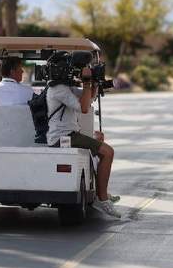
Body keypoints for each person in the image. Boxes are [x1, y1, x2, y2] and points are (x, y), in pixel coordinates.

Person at [45, 55, 121, 218]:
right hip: (62, 138)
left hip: (70, 135)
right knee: (108, 152)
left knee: (98, 145)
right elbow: (84, 108)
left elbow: (89, 98)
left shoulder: (64, 87)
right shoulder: (58, 90)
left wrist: (93, 83)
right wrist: (86, 82)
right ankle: (102, 200)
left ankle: (103, 193)